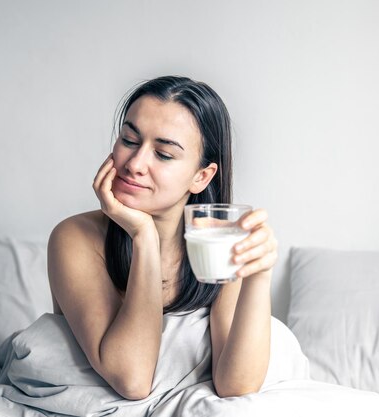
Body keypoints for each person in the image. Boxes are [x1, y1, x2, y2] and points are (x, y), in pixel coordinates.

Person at [47, 75, 278, 400]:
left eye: (164, 154)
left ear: (201, 176)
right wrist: (144, 236)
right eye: (129, 139)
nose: (136, 164)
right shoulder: (75, 238)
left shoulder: (217, 243)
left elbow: (235, 386)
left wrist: (259, 275)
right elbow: (132, 380)